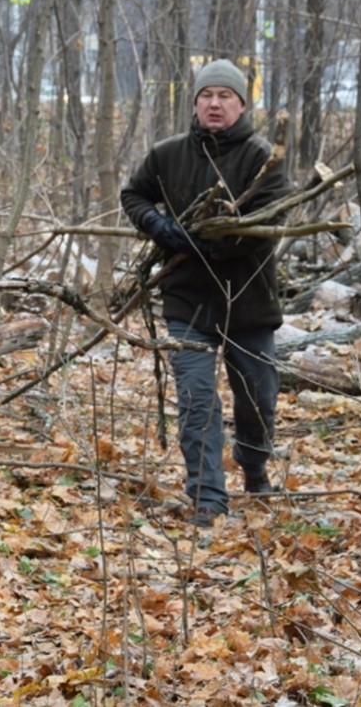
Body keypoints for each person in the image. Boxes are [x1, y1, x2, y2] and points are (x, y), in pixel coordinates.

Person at [120, 59, 290, 529]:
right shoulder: (168, 154)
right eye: (206, 96)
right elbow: (133, 194)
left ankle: (254, 469)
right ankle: (208, 497)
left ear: (240, 104)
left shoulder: (263, 158)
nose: (215, 104)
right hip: (187, 301)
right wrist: (157, 225)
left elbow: (269, 224)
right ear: (195, 103)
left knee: (258, 402)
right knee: (197, 400)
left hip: (250, 302)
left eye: (225, 96)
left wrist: (207, 243)